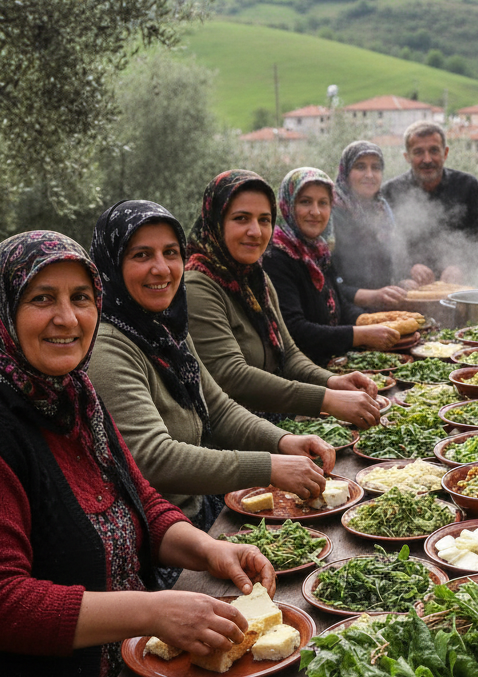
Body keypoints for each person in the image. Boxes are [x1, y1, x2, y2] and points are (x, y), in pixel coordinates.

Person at [0, 232, 277, 677]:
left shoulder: (75, 396)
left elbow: (145, 505)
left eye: (82, 297)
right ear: (2, 308)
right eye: (42, 299)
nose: (67, 317)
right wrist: (150, 610)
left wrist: (209, 552)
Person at [88, 199, 336, 528]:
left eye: (171, 252)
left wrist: (283, 441)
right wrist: (269, 466)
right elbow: (154, 458)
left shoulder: (165, 328)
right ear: (111, 264)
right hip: (166, 538)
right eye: (141, 255)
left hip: (205, 508)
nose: (161, 268)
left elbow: (217, 408)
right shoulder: (107, 347)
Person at [184, 170, 382, 427]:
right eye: (241, 218)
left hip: (278, 426)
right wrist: (327, 399)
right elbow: (233, 376)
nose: (255, 231)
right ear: (215, 221)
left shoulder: (256, 279)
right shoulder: (198, 285)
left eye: (264, 219)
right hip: (239, 441)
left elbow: (288, 354)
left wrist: (333, 381)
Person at [263, 168, 403, 360]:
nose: (316, 212)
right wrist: (359, 335)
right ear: (287, 204)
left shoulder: (318, 251)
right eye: (305, 202)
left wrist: (373, 321)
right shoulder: (277, 256)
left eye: (323, 203)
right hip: (304, 372)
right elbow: (294, 330)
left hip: (334, 359)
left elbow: (340, 305)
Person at [382, 121, 478, 285]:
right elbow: (385, 245)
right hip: (410, 288)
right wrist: (408, 268)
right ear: (407, 157)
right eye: (418, 152)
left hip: (457, 288)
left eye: (434, 150)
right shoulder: (390, 192)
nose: (427, 159)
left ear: (445, 153)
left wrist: (460, 267)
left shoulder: (467, 186)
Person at [330, 140, 409, 306]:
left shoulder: (383, 210)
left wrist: (401, 282)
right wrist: (371, 296)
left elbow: (390, 262)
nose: (369, 175)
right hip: (344, 313)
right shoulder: (331, 212)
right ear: (345, 171)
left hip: (382, 308)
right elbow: (325, 280)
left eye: (376, 167)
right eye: (360, 167)